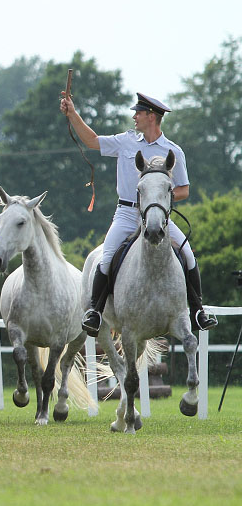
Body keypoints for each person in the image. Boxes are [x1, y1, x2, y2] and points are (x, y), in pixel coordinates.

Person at [60, 91, 217, 334]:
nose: (134, 116)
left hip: (158, 216)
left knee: (187, 254)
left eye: (139, 113)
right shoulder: (125, 141)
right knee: (106, 258)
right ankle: (95, 311)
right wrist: (72, 114)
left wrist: (159, 199)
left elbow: (184, 190)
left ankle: (198, 311)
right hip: (126, 214)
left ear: (151, 117)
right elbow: (91, 141)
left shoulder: (173, 150)